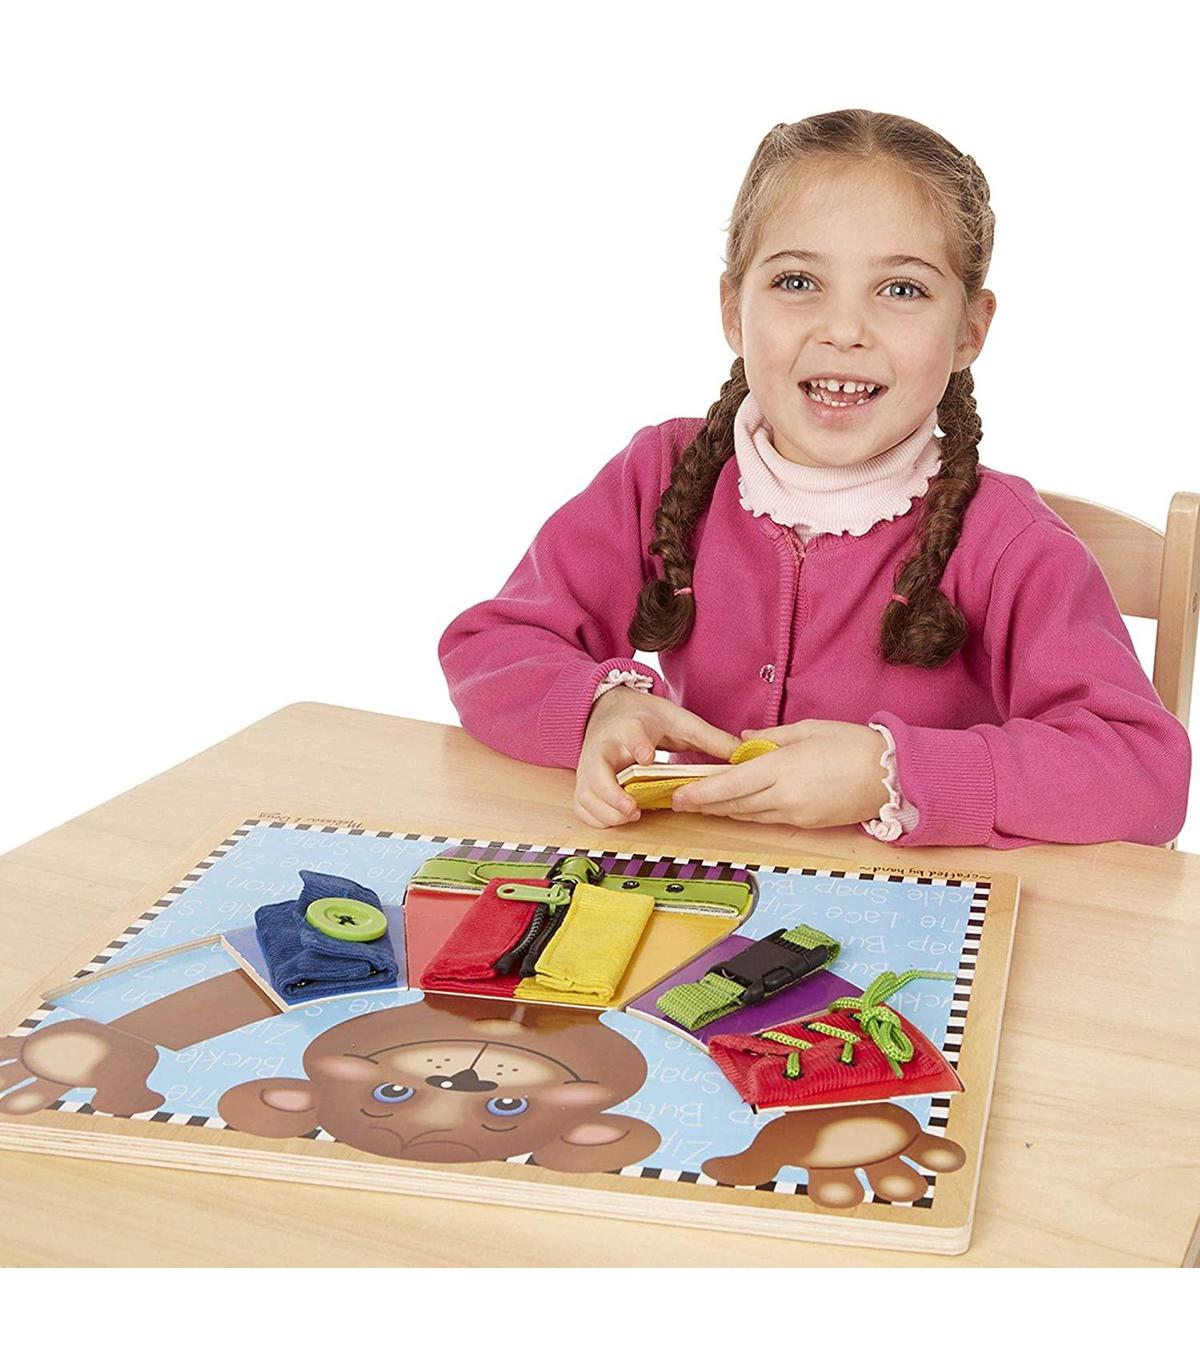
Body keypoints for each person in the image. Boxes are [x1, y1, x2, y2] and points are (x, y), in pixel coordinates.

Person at [438, 109, 1191, 850]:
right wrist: (599, 709)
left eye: (902, 289)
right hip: (692, 878)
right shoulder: (658, 475)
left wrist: (887, 775)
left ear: (971, 329)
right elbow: (491, 646)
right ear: (733, 311)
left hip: (915, 907)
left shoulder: (1009, 542)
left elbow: (1143, 773)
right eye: (797, 280)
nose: (844, 330)